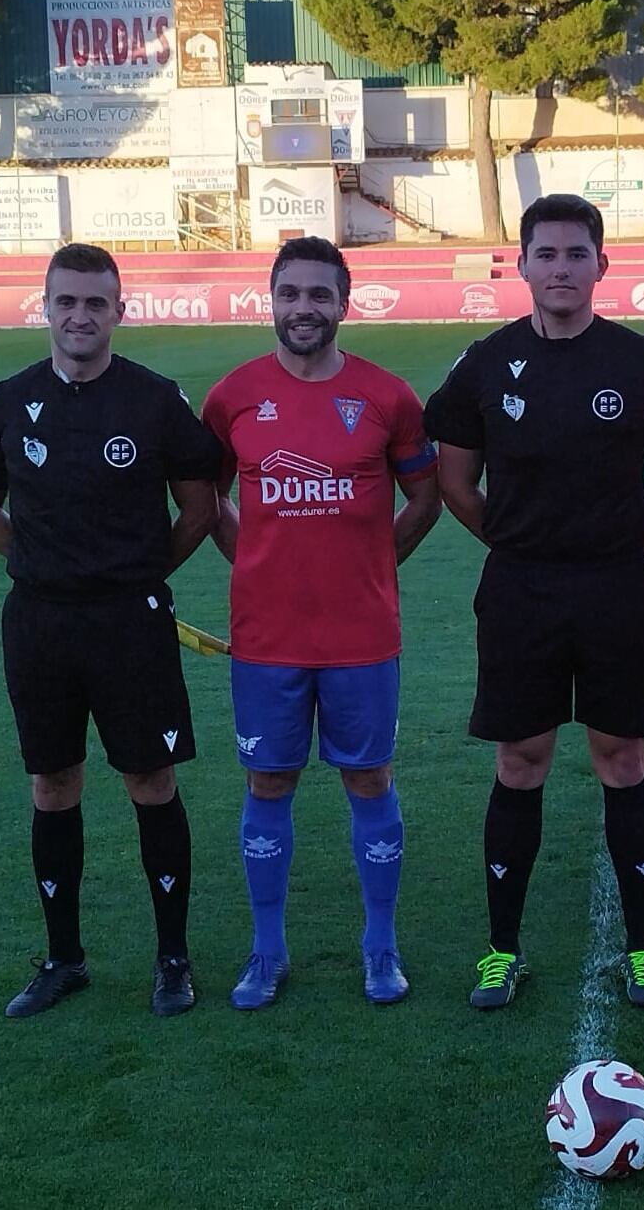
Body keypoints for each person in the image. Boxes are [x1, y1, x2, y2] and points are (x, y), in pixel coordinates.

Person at [424, 193, 644, 1011]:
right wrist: (517, 543)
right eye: (546, 254)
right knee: (521, 759)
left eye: (577, 254)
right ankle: (501, 950)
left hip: (616, 587)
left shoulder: (641, 362)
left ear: (601, 265)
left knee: (623, 757)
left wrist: (616, 546)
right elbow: (453, 481)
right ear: (523, 264)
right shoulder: (484, 362)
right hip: (520, 589)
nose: (562, 268)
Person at [0, 242, 224, 1020]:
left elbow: (201, 505)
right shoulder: (9, 400)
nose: (81, 316)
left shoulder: (152, 400)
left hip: (130, 624)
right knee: (53, 784)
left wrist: (139, 574)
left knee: (151, 780)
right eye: (66, 302)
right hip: (40, 624)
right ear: (45, 307)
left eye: (95, 303)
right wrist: (43, 566)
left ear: (119, 309)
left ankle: (172, 957)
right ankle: (63, 958)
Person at [200, 237, 442, 1010]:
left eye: (318, 294)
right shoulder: (232, 396)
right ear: (269, 300)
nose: (303, 307)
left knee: (368, 777)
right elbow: (205, 496)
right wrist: (254, 561)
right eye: (290, 293)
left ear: (345, 301)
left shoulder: (388, 397)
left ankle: (381, 946)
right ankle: (267, 952)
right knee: (266, 779)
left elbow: (425, 498)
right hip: (267, 637)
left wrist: (373, 561)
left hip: (361, 636)